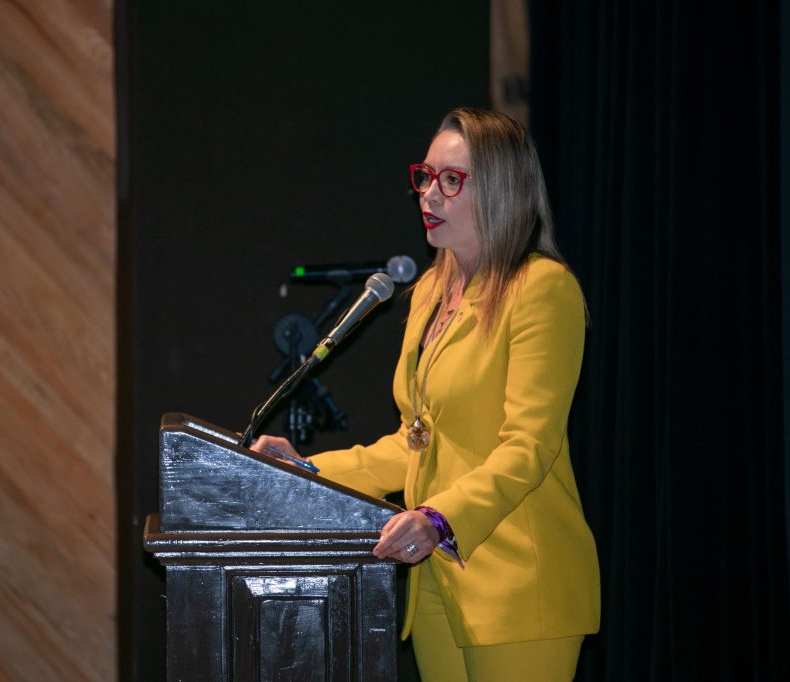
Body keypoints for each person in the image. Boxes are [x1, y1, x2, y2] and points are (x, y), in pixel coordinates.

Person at [251, 107, 600, 681]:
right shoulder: (430, 292)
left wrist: (439, 519)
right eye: (425, 176)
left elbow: (529, 446)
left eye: (451, 180)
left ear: (501, 190)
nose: (429, 194)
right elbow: (414, 444)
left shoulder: (541, 289)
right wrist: (306, 472)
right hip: (436, 577)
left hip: (518, 582)